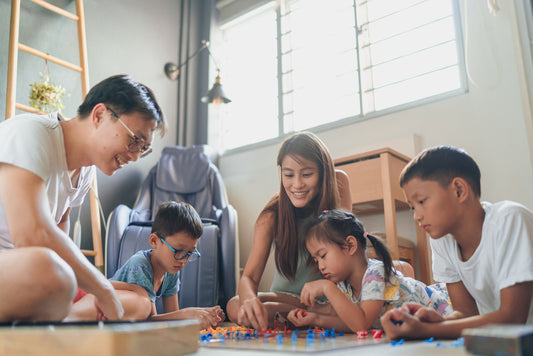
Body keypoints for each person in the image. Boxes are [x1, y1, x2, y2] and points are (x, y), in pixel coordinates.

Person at [0, 74, 166, 322]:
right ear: (99, 115)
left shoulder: (84, 171)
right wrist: (99, 287)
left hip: (29, 273)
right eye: (135, 140)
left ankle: (60, 317)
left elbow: (58, 233)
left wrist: (97, 290)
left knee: (139, 300)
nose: (134, 157)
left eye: (143, 148)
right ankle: (58, 315)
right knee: (50, 272)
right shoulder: (30, 134)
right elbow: (32, 235)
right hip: (22, 268)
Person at [380, 145, 533, 339]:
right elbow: (467, 314)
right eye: (412, 207)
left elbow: (512, 319)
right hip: (501, 344)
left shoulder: (510, 220)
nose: (416, 216)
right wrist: (434, 321)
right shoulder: (442, 238)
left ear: (459, 190)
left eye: (421, 201)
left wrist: (427, 331)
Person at [225, 132, 353, 332]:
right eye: (288, 175)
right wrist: (250, 301)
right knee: (235, 305)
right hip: (288, 298)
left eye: (307, 174)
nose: (297, 184)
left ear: (323, 172)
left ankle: (318, 314)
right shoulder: (271, 216)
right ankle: (314, 318)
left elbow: (346, 251)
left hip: (329, 296)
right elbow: (249, 277)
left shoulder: (339, 183)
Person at [286, 209, 452, 332]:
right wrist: (315, 318)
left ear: (350, 245)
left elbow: (361, 324)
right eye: (316, 260)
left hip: (443, 310)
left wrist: (326, 287)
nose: (320, 266)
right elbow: (351, 322)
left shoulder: (375, 273)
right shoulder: (343, 284)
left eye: (323, 256)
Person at [106, 201, 225, 328]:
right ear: (154, 241)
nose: (183, 260)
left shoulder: (171, 270)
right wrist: (188, 314)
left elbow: (173, 317)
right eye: (178, 250)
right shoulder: (140, 265)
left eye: (190, 252)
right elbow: (148, 320)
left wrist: (204, 317)